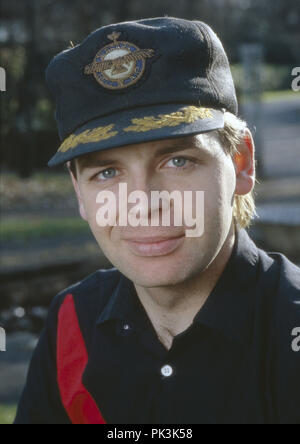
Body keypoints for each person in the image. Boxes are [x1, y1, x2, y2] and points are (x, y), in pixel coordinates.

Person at [15, 17, 300, 425]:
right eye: (107, 173)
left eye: (177, 160)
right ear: (79, 192)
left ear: (241, 163)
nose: (144, 204)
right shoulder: (72, 322)